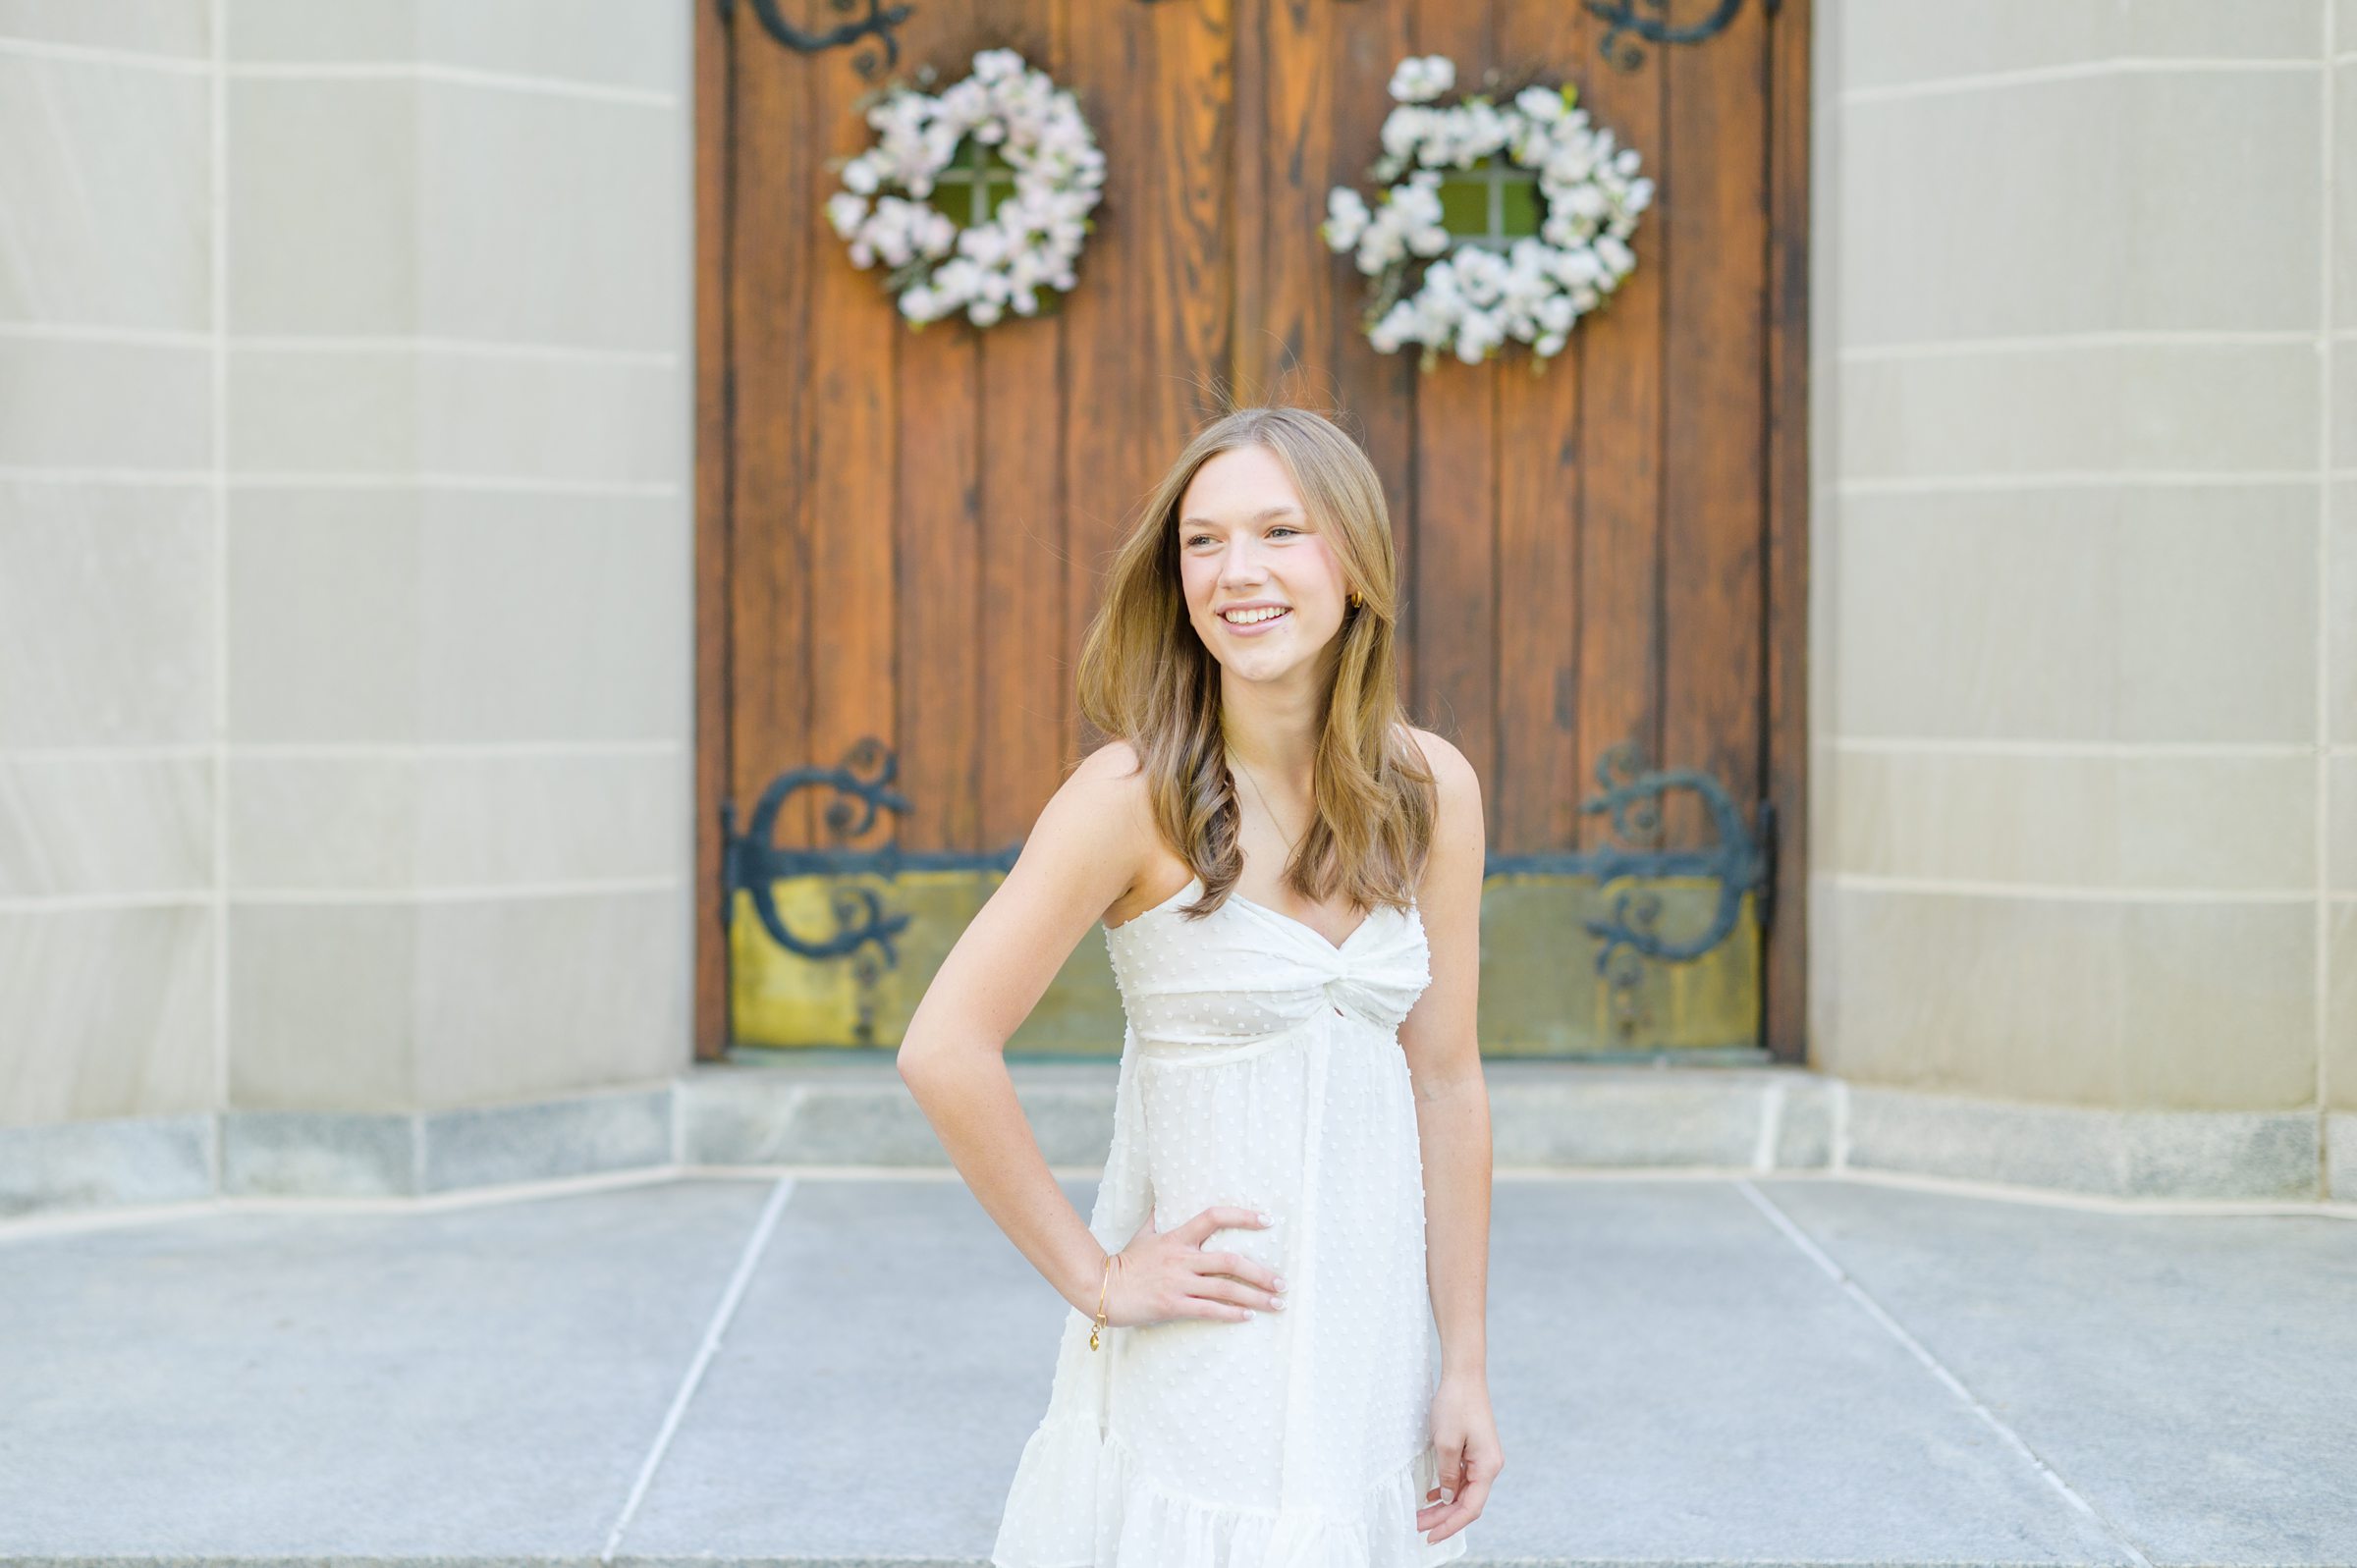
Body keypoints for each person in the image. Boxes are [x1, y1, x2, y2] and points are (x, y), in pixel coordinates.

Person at [897, 404, 1500, 1564]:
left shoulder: (1434, 790)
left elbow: (1447, 1081)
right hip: (1209, 1330)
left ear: (1357, 564)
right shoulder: (1130, 797)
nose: (1240, 572)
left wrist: (1463, 1360)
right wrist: (1099, 1275)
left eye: (1282, 531)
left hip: (1371, 1337)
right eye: (1203, 541)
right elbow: (945, 1047)